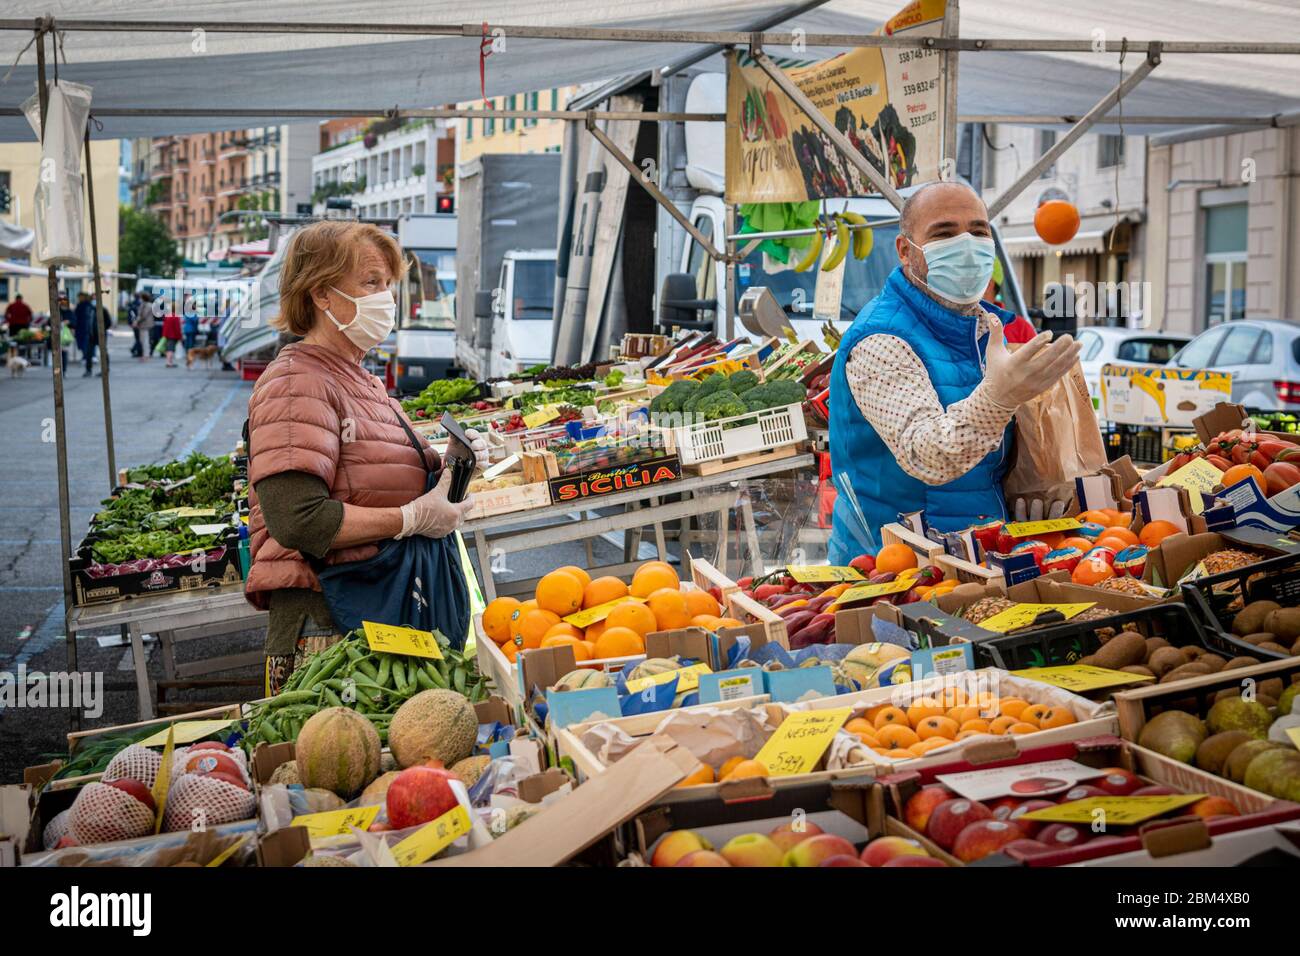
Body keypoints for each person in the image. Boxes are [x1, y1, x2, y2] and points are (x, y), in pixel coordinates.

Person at [243, 220, 488, 694]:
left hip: (376, 615)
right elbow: (297, 519)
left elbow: (372, 474)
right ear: (321, 294)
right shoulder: (296, 384)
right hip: (331, 633)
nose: (387, 299)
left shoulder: (360, 379)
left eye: (390, 285)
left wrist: (450, 466)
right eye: (371, 283)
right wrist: (411, 517)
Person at [828, 181, 1081, 562]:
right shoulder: (880, 339)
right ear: (905, 250)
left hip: (977, 557)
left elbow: (987, 457)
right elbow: (927, 455)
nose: (966, 244)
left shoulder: (982, 328)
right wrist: (1001, 397)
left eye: (978, 231)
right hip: (896, 570)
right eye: (944, 233)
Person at [73, 292, 97, 376]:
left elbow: (76, 316)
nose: (78, 298)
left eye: (79, 297)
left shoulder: (83, 305)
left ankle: (86, 359)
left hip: (83, 329)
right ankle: (87, 358)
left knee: (85, 345)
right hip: (85, 329)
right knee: (86, 345)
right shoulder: (89, 305)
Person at [133, 292, 154, 361]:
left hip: (145, 325)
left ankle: (146, 356)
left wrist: (136, 322)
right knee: (144, 340)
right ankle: (145, 355)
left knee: (145, 340)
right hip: (145, 325)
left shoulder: (146, 305)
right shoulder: (148, 305)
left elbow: (143, 315)